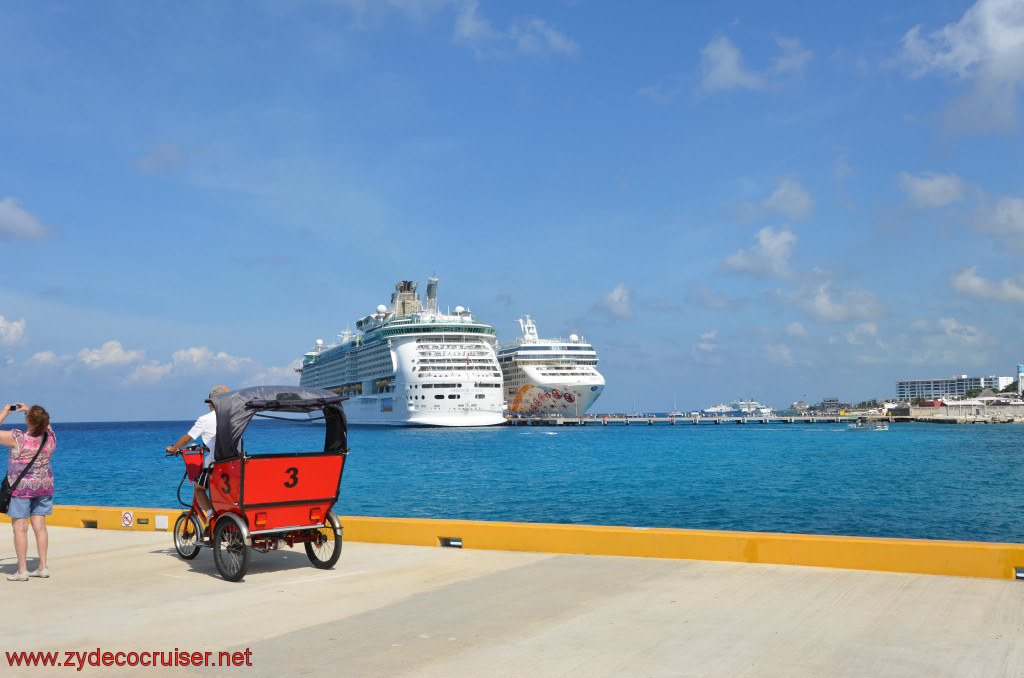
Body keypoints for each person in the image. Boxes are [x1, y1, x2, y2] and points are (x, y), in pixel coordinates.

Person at [1, 402, 56, 582]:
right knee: (40, 526)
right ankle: (43, 567)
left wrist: (5, 412)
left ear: (27, 420)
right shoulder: (50, 438)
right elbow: (46, 425)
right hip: (43, 486)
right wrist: (28, 410)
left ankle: (23, 570)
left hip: (21, 489)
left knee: (20, 528)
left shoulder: (18, 438)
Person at [166, 386, 229, 528]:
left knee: (199, 488)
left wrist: (174, 448)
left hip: (216, 464)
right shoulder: (232, 417)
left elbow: (187, 438)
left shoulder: (205, 419)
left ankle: (210, 515)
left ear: (210, 403)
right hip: (233, 462)